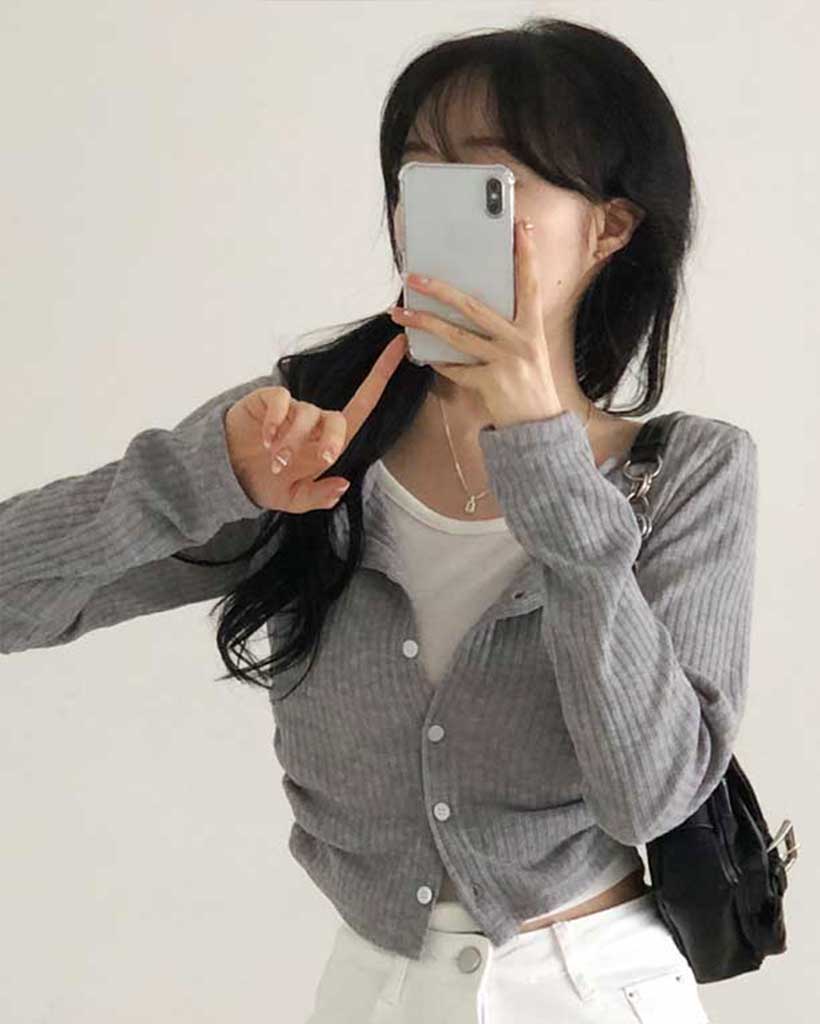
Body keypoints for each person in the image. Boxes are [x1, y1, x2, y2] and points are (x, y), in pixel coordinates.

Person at [2, 17, 756, 1024]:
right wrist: (200, 475)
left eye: (491, 180)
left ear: (609, 229)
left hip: (591, 992)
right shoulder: (309, 435)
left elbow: (649, 794)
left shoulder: (689, 471)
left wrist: (543, 457)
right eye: (418, 171)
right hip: (371, 993)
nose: (435, 207)